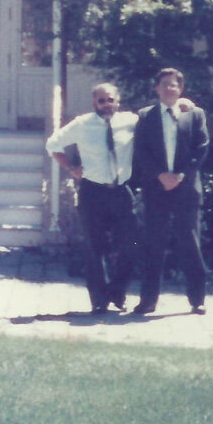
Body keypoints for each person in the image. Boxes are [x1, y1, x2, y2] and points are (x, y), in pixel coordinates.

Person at [45, 83, 139, 315]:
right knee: (94, 247)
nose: (106, 105)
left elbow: (156, 121)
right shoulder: (82, 124)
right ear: (94, 102)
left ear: (118, 101)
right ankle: (99, 300)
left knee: (130, 245)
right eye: (101, 101)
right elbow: (52, 145)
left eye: (110, 100)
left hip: (121, 191)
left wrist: (185, 105)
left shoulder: (131, 121)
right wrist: (71, 167)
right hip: (92, 192)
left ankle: (117, 293)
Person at [131, 67, 211, 316]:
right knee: (153, 244)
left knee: (190, 242)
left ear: (180, 89)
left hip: (186, 189)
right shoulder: (146, 116)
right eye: (164, 84)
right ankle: (147, 301)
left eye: (173, 84)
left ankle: (197, 299)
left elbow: (202, 148)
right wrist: (160, 175)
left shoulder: (194, 114)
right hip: (157, 188)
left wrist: (181, 176)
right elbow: (141, 151)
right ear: (157, 88)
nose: (169, 88)